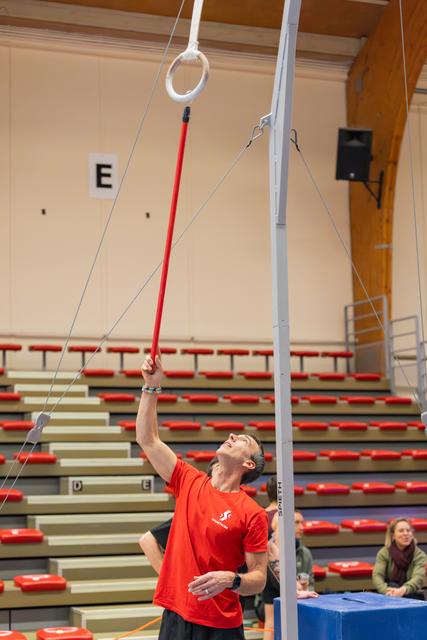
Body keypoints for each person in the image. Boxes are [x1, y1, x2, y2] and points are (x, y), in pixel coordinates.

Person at [136, 354, 268, 640]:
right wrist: (151, 387)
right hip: (176, 617)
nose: (232, 435)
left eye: (242, 441)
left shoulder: (252, 513)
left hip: (220, 627)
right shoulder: (189, 480)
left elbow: (258, 579)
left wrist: (231, 580)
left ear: (248, 465)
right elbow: (148, 439)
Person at [262, 510, 318, 640]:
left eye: (302, 523)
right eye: (296, 523)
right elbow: (270, 619)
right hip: (275, 602)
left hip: (301, 602)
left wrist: (304, 589)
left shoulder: (305, 553)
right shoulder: (269, 553)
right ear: (283, 525)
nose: (302, 527)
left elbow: (310, 586)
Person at [372, 517, 426, 600]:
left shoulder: (420, 555)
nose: (406, 533)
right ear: (393, 535)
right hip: (389, 594)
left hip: (412, 595)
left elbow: (418, 578)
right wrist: (386, 590)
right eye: (401, 531)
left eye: (408, 530)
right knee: (392, 585)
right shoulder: (384, 553)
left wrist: (403, 590)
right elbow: (377, 576)